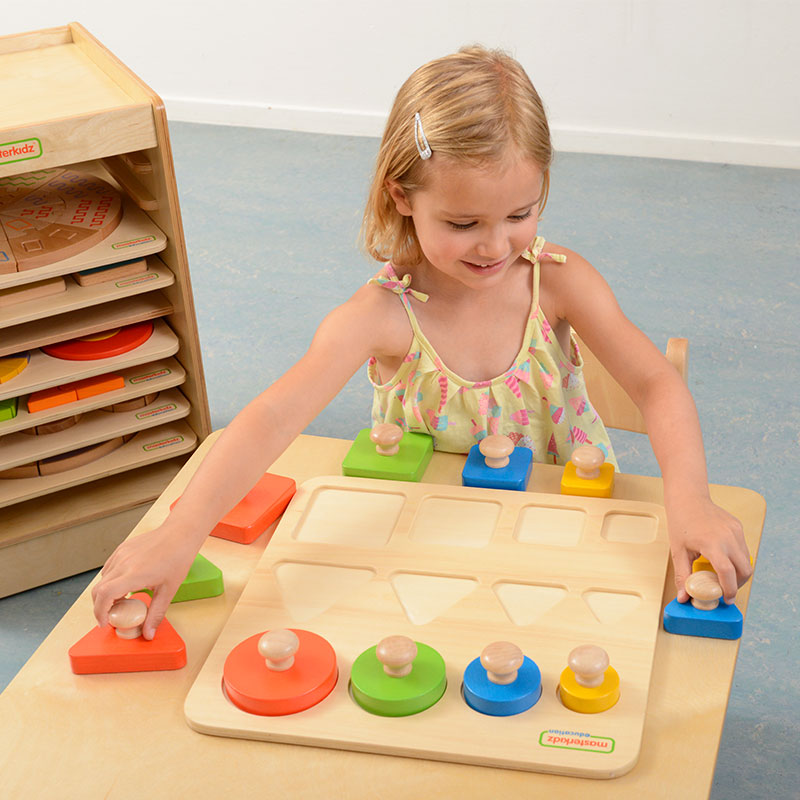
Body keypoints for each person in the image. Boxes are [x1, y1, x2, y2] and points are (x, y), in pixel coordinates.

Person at [93, 45, 752, 638]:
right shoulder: (380, 315)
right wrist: (181, 532)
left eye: (520, 214)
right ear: (402, 197)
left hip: (556, 528)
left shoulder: (559, 282)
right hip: (424, 545)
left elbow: (655, 384)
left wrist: (690, 497)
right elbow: (270, 417)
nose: (496, 245)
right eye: (464, 222)